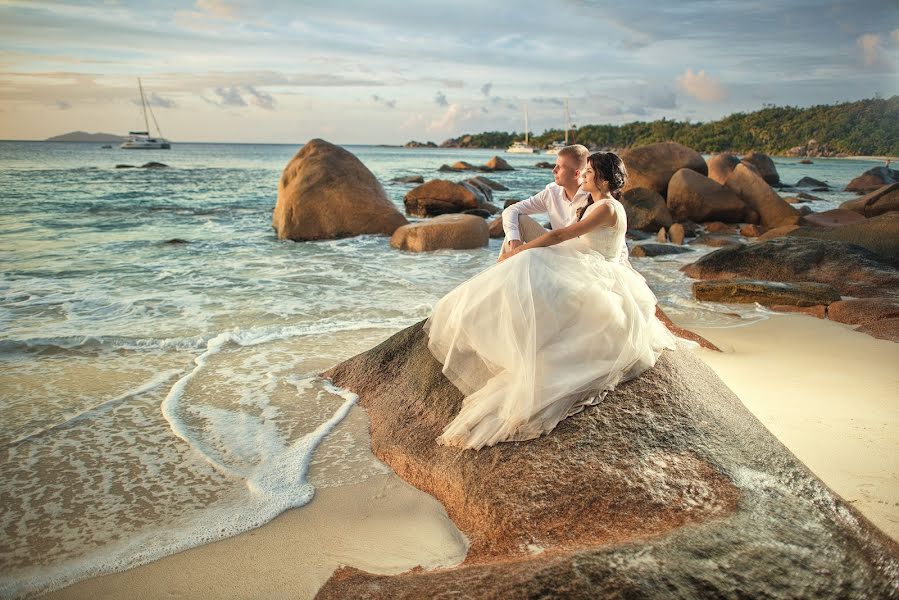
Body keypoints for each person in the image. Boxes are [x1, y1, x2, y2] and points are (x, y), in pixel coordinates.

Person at [423, 151, 689, 450]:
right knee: (530, 264)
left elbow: (561, 235)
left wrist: (523, 250)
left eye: (588, 172)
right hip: (586, 263)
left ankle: (516, 332)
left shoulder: (608, 209)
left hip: (601, 273)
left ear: (601, 178)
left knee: (529, 260)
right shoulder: (596, 204)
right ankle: (507, 324)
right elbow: (562, 237)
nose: (583, 176)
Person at [500, 145, 629, 264]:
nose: (553, 171)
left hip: (583, 261)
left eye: (588, 171)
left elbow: (614, 244)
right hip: (562, 250)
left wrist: (620, 272)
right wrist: (515, 244)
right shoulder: (552, 192)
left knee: (522, 258)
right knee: (518, 223)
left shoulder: (601, 203)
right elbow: (511, 210)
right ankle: (501, 279)